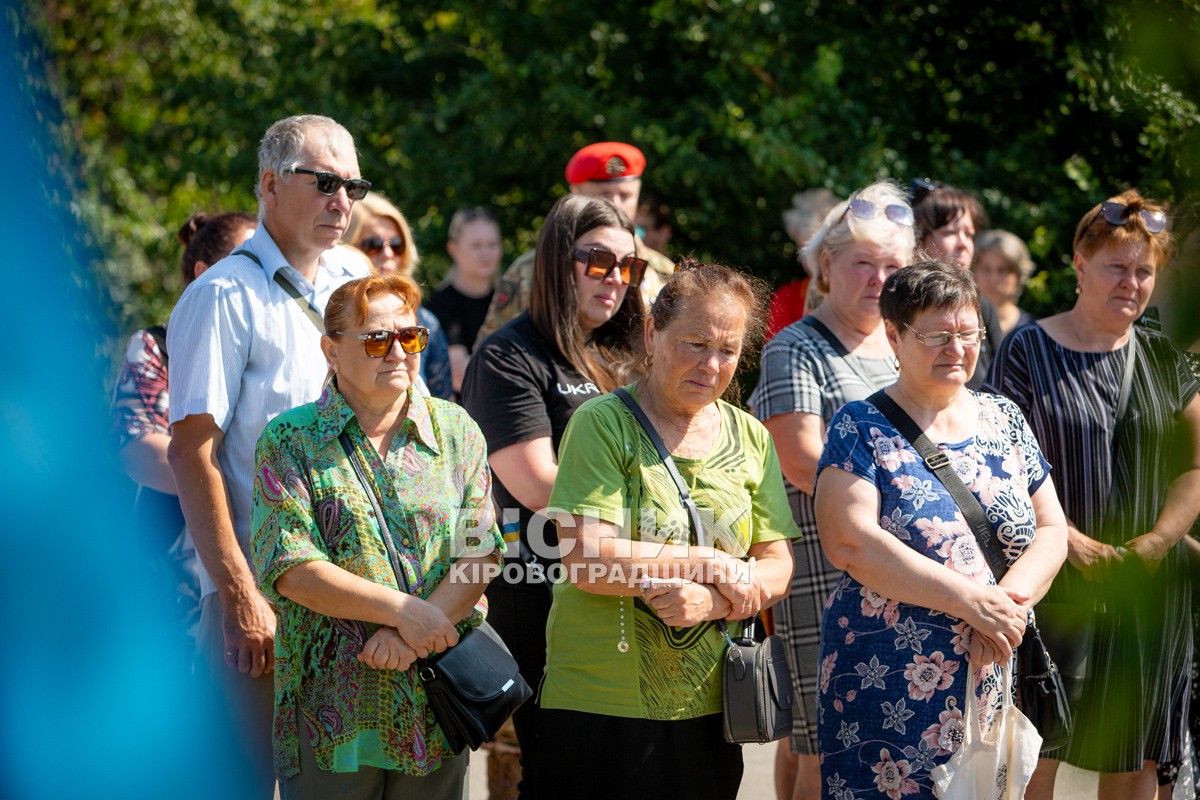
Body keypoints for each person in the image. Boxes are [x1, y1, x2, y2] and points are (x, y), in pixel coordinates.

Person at [534, 258, 799, 799]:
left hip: (710, 706)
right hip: (598, 705)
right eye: (696, 343)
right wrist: (709, 564)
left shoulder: (751, 436)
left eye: (727, 350)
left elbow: (777, 566)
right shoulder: (603, 423)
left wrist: (715, 604)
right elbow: (586, 560)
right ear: (653, 333)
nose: (711, 364)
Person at [167, 114, 372, 799]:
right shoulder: (223, 297)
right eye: (323, 183)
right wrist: (238, 593)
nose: (341, 201)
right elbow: (192, 453)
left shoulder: (356, 276)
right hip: (263, 604)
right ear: (269, 184)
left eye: (352, 186)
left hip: (354, 598)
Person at [814, 260, 1069, 798]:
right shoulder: (860, 425)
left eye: (968, 332)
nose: (957, 347)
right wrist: (972, 604)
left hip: (990, 668)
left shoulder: (1006, 417)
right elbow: (850, 541)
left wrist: (1004, 608)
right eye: (937, 335)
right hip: (884, 685)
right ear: (894, 336)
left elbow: (1052, 530)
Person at [250, 272, 502, 798]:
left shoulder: (457, 430)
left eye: (410, 338)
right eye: (376, 339)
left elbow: (481, 552)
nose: (397, 352)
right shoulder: (289, 439)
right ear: (331, 350)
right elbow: (292, 567)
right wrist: (405, 613)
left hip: (436, 697)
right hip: (333, 711)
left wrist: (410, 631)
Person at [986, 190, 1200, 800]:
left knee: (1132, 761)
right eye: (1116, 267)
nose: (1131, 283)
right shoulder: (1026, 350)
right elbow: (1003, 469)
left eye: (1144, 271)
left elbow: (1194, 467)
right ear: (1079, 264)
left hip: (1145, 585)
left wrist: (1157, 544)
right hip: (1052, 586)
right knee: (1034, 757)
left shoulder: (1163, 356)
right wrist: (1072, 546)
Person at [460, 194, 646, 797]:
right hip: (543, 595)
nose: (616, 278)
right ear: (556, 263)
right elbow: (538, 483)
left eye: (629, 266)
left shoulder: (628, 354)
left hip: (630, 583)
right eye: (598, 260)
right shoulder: (510, 354)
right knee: (565, 774)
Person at [748, 181, 914, 800]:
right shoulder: (795, 347)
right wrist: (904, 511)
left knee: (894, 740)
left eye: (893, 266)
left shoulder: (908, 346)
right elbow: (799, 460)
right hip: (826, 567)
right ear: (826, 265)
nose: (878, 279)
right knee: (826, 750)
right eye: (862, 263)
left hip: (905, 567)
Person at [112, 210, 256, 651]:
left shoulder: (269, 348)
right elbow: (136, 446)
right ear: (203, 273)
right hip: (176, 576)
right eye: (246, 262)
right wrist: (225, 480)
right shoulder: (156, 345)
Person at [473, 141, 671, 348]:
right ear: (575, 193)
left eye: (625, 196)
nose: (615, 204)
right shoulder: (532, 269)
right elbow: (491, 347)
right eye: (603, 195)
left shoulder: (661, 272)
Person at [343, 191, 453, 399]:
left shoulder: (426, 321)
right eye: (373, 246)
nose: (388, 254)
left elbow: (444, 404)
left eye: (396, 245)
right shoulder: (328, 315)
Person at [911, 179, 1002, 387]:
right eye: (950, 232)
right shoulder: (895, 305)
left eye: (969, 234)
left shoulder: (983, 307)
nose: (964, 244)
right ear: (916, 240)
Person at [426, 207, 503, 395]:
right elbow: (461, 377)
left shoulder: (507, 300)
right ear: (454, 249)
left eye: (492, 245)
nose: (486, 253)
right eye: (476, 246)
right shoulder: (440, 305)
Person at [765, 188, 839, 341]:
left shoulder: (856, 290)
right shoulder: (786, 297)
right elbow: (775, 349)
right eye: (804, 249)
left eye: (818, 250)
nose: (810, 258)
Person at [973, 229, 1036, 339]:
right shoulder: (962, 328)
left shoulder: (1033, 331)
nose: (993, 279)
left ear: (1018, 276)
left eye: (1002, 270)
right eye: (986, 269)